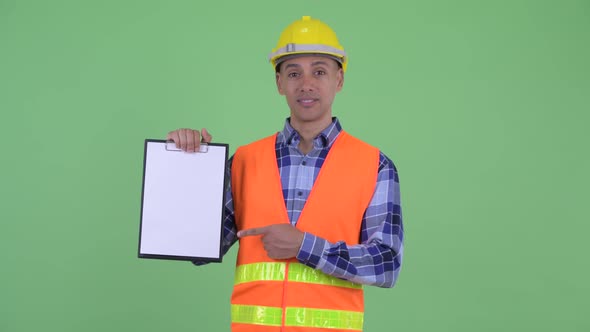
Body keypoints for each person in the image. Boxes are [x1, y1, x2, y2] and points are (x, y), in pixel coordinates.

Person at [167, 16, 404, 332]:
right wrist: (192, 168)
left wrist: (304, 246)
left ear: (340, 80)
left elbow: (386, 264)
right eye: (294, 73)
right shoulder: (244, 161)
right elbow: (196, 249)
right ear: (279, 82)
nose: (306, 84)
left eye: (319, 71)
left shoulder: (375, 165)